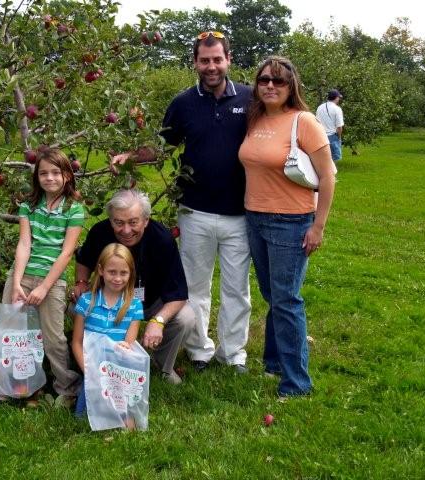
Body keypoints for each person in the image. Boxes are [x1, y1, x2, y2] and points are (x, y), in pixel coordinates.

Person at [238, 56, 336, 398]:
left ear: (290, 86)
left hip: (290, 222)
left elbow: (328, 176)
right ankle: (274, 362)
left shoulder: (304, 121)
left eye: (278, 81)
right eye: (264, 80)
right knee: (273, 296)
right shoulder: (255, 118)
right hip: (254, 218)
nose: (270, 86)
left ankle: (296, 383)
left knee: (286, 300)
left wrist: (318, 226)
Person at [158, 31, 253, 374]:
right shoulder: (183, 102)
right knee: (195, 286)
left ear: (228, 59)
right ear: (195, 62)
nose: (211, 67)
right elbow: (162, 146)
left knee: (236, 289)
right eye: (204, 60)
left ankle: (233, 354)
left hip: (240, 213)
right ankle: (199, 350)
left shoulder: (250, 97)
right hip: (194, 210)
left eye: (217, 59)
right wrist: (128, 155)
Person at [0, 147, 84, 407]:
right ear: (37, 177)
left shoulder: (74, 209)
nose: (50, 178)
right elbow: (24, 245)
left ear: (67, 176)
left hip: (52, 281)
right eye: (44, 173)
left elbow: (66, 253)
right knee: (8, 331)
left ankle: (67, 388)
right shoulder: (28, 206)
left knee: (53, 337)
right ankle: (1, 386)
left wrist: (45, 287)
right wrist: (16, 284)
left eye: (56, 173)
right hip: (22, 275)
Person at [73, 189, 195, 385]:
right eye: (118, 222)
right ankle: (96, 362)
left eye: (133, 222)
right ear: (110, 220)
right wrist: (80, 283)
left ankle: (159, 365)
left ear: (145, 220)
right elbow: (83, 259)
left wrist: (159, 320)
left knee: (186, 318)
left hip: (151, 300)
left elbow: (178, 293)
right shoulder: (100, 232)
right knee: (77, 306)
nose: (126, 230)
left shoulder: (162, 239)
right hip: (110, 298)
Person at [72, 243, 144, 422]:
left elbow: (129, 345)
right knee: (82, 418)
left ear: (131, 273)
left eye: (123, 273)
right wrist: (89, 372)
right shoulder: (86, 302)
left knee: (125, 420)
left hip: (118, 372)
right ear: (101, 270)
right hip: (92, 368)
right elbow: (76, 342)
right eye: (112, 272)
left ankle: (122, 411)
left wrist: (123, 349)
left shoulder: (134, 305)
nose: (118, 278)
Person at [315, 89, 344, 162]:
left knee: (322, 161)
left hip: (320, 136)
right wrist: (339, 138)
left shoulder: (320, 107)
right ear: (336, 98)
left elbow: (316, 122)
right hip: (332, 137)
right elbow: (339, 127)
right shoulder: (337, 109)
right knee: (333, 161)